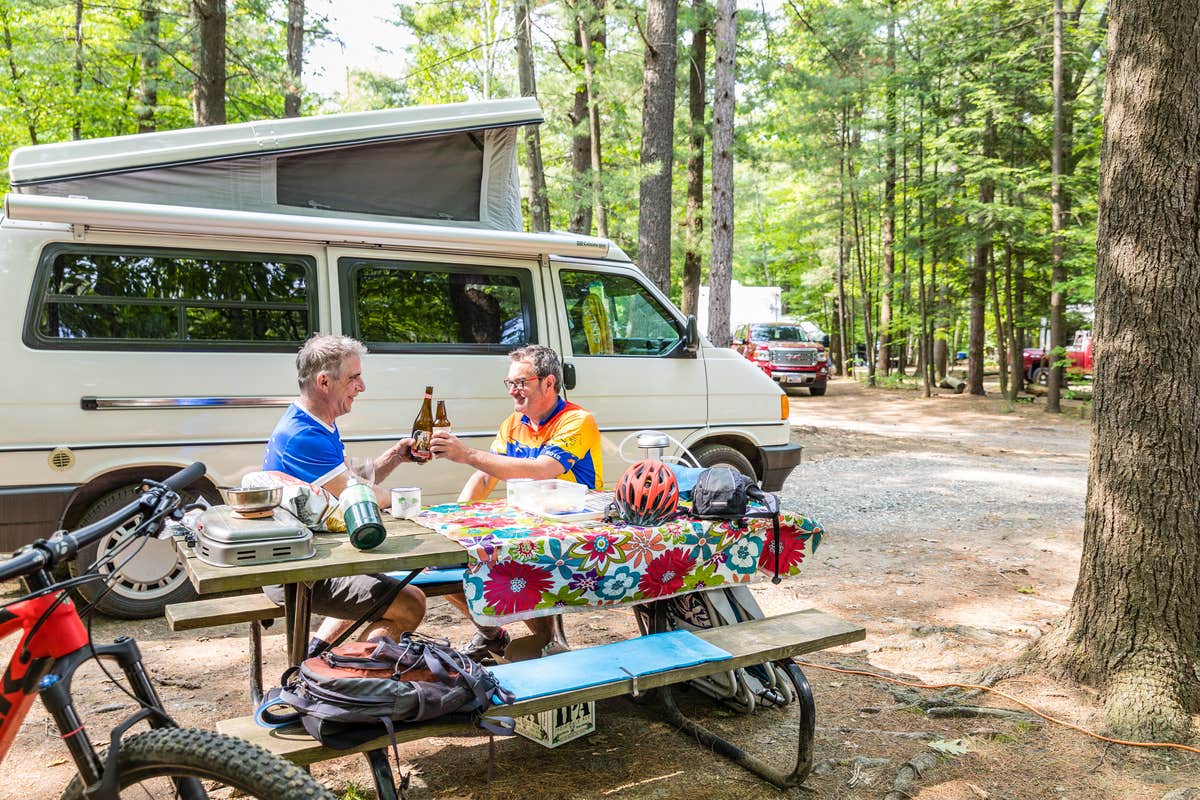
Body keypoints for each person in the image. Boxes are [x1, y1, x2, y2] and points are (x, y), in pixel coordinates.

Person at [431, 344, 603, 662]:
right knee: (440, 564)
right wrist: (452, 522)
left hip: (572, 528)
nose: (513, 391)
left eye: (521, 383)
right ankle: (492, 635)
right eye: (509, 383)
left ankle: (550, 644)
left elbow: (542, 471)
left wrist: (466, 454)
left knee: (517, 563)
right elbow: (486, 476)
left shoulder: (577, 420)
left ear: (549, 383)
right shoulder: (513, 422)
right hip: (526, 522)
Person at [262, 333, 426, 657]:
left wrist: (394, 456)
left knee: (384, 585)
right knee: (410, 603)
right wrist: (406, 501)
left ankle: (314, 658)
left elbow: (348, 481)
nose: (361, 387)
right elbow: (356, 494)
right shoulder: (303, 436)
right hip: (295, 572)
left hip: (309, 556)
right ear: (324, 382)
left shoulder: (316, 422)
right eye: (354, 378)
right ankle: (345, 681)